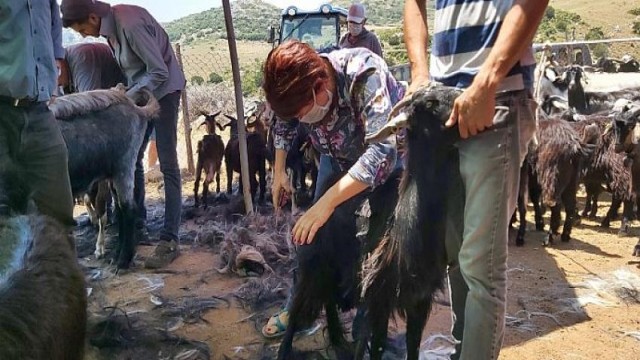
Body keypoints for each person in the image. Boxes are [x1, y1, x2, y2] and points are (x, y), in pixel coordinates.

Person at [403, 0, 547, 359]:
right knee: (455, 255)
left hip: (494, 100)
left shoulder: (491, 88)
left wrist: (488, 80)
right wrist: (420, 73)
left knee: (480, 265)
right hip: (442, 108)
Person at [260, 40, 405, 338]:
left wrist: (326, 202)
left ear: (320, 85)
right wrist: (278, 172)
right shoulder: (295, 91)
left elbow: (383, 152)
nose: (302, 120)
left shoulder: (363, 72)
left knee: (374, 240)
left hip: (385, 164)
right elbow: (284, 125)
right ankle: (299, 306)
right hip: (336, 157)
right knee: (311, 235)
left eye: (304, 112)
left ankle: (368, 323)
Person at [60, 0, 187, 269]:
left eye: (81, 28)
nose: (82, 35)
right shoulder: (111, 30)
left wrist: (126, 98)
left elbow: (159, 71)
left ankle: (170, 239)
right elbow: (136, 70)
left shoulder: (128, 23)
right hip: (141, 93)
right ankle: (135, 224)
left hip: (164, 92)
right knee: (132, 159)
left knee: (167, 161)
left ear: (92, 17)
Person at [0, 0, 74, 226]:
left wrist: (55, 57)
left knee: (58, 211)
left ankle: (59, 261)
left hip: (38, 110)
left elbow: (53, 21)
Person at [58, 42, 126, 94]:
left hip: (129, 94)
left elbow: (91, 104)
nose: (56, 83)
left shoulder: (82, 57)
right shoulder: (62, 77)